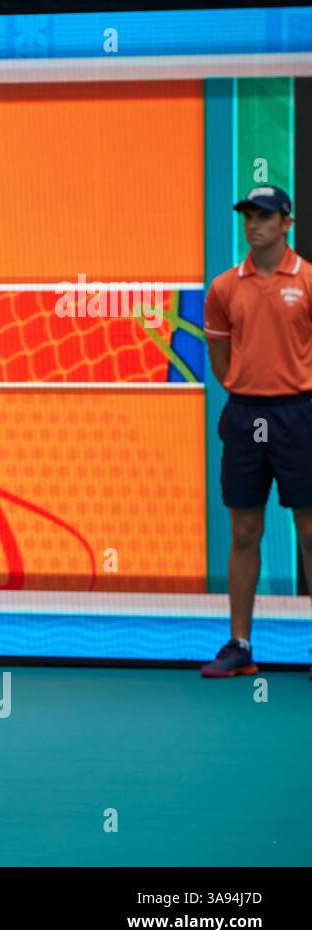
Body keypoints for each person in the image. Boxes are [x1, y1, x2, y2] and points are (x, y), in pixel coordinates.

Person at [202, 185, 312, 678]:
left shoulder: (308, 280)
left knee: (310, 529)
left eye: (265, 216)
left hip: (299, 416)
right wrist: (245, 389)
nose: (254, 224)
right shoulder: (225, 287)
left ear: (286, 223)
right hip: (249, 418)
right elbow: (222, 361)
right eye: (248, 215)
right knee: (245, 530)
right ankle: (240, 645)